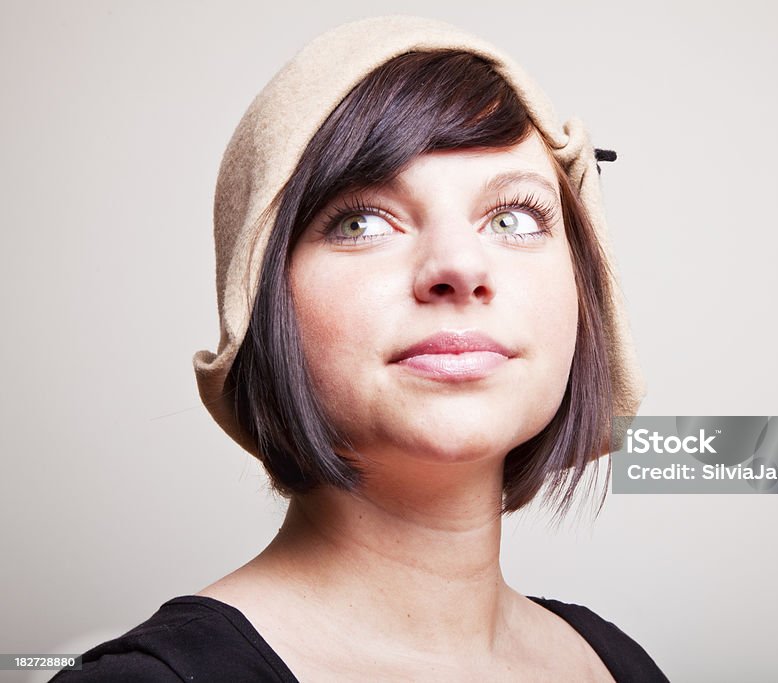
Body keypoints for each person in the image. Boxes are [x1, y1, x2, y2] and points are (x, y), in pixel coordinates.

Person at [52, 15, 664, 682]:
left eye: (513, 218)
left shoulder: (615, 661)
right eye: (361, 221)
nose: (459, 265)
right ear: (261, 297)